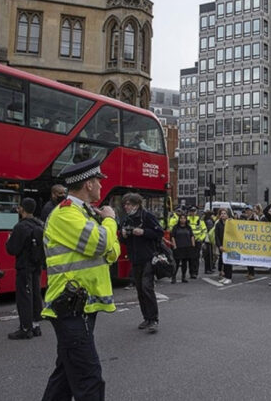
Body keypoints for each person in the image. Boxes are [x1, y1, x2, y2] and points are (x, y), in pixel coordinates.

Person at [40, 159, 120, 401]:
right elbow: (101, 243)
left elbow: (112, 252)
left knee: (65, 375)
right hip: (71, 307)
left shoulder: (84, 214)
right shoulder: (66, 214)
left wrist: (105, 233)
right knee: (89, 378)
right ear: (88, 183)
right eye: (98, 181)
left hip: (82, 305)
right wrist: (110, 220)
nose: (100, 186)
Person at [119, 192, 163, 333]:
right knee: (139, 289)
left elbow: (159, 233)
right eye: (125, 204)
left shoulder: (147, 216)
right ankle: (147, 318)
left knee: (146, 287)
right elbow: (124, 240)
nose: (126, 206)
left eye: (129, 204)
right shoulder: (127, 219)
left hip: (149, 257)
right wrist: (124, 236)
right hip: (135, 258)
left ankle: (154, 320)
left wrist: (143, 232)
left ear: (137, 204)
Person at [5, 198, 45, 340]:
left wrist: (9, 240)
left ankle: (25, 328)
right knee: (35, 294)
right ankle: (35, 325)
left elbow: (12, 249)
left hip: (24, 266)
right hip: (37, 265)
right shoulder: (40, 224)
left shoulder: (21, 227)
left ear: (22, 209)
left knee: (24, 296)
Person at [170, 213, 195, 283]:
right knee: (176, 263)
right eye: (181, 218)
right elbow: (172, 237)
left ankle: (183, 277)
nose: (183, 220)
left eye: (184, 218)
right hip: (178, 247)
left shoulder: (188, 227)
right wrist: (174, 246)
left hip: (187, 247)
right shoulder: (175, 227)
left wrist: (193, 244)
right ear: (179, 219)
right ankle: (173, 277)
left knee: (184, 263)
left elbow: (191, 236)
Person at [186, 206, 206, 279]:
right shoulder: (187, 220)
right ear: (189, 212)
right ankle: (191, 272)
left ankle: (195, 272)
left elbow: (204, 231)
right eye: (191, 211)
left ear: (196, 212)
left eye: (194, 211)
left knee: (196, 257)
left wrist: (200, 238)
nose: (193, 212)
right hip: (189, 241)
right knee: (190, 257)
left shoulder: (200, 221)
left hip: (197, 241)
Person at [214, 209, 232, 285]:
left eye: (225, 213)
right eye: (222, 213)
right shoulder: (218, 224)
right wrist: (219, 246)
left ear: (228, 215)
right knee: (224, 261)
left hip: (229, 245)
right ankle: (225, 276)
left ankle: (229, 277)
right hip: (222, 245)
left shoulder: (231, 223)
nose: (223, 215)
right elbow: (216, 236)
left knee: (229, 262)